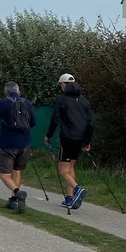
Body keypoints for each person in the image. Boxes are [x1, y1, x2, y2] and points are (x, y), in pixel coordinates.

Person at [0, 81, 37, 212]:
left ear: (6, 92)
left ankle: (18, 192)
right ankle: (14, 201)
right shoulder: (27, 103)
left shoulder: (2, 103)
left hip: (8, 143)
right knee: (17, 170)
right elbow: (33, 122)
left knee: (4, 175)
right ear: (18, 91)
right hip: (25, 143)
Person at [44, 72, 95, 212]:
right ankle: (69, 198)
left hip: (67, 138)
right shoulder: (84, 100)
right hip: (80, 139)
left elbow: (55, 119)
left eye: (60, 86)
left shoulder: (62, 99)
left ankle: (78, 189)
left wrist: (48, 135)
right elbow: (91, 122)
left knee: (62, 170)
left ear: (62, 84)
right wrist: (87, 141)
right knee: (71, 167)